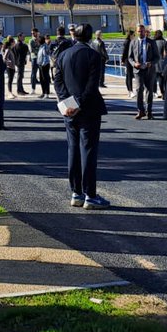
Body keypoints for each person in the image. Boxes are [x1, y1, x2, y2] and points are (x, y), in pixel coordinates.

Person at [54, 24, 110, 209]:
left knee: (73, 149)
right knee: (88, 151)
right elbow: (92, 86)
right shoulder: (93, 55)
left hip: (69, 109)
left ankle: (76, 192)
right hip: (88, 108)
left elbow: (58, 82)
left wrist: (68, 103)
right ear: (89, 37)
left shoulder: (63, 55)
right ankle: (90, 194)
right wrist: (79, 102)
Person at [126, 25, 159, 119]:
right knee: (139, 89)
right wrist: (134, 64)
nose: (141, 33)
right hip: (138, 70)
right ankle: (140, 111)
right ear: (137, 32)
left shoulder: (151, 42)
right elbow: (129, 57)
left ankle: (149, 111)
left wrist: (151, 63)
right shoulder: (133, 42)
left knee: (149, 90)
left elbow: (157, 57)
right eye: (139, 31)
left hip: (149, 70)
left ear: (145, 31)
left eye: (142, 31)